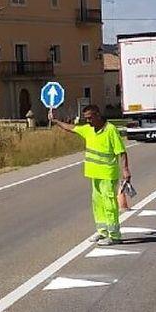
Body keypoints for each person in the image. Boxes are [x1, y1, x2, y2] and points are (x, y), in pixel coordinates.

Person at [50, 104, 132, 245]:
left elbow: (121, 152)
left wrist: (125, 170)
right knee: (97, 203)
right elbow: (71, 128)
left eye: (90, 118)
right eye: (86, 118)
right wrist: (55, 121)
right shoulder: (88, 130)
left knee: (109, 204)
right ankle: (102, 231)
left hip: (107, 174)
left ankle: (114, 235)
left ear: (98, 115)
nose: (88, 121)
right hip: (94, 174)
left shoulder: (110, 130)